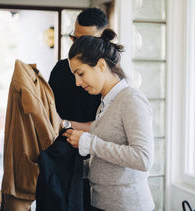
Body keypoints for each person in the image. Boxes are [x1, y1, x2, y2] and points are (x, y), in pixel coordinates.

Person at [63, 29, 155, 211]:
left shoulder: (131, 99)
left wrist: (89, 143)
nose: (77, 83)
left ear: (101, 65)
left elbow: (143, 158)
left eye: (80, 73)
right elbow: (108, 156)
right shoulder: (106, 102)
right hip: (103, 203)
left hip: (128, 206)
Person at [48, 7, 108, 210]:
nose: (78, 82)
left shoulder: (112, 80)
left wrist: (70, 126)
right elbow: (50, 115)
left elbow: (107, 127)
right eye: (75, 39)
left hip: (98, 167)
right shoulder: (59, 70)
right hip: (63, 162)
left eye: (86, 42)